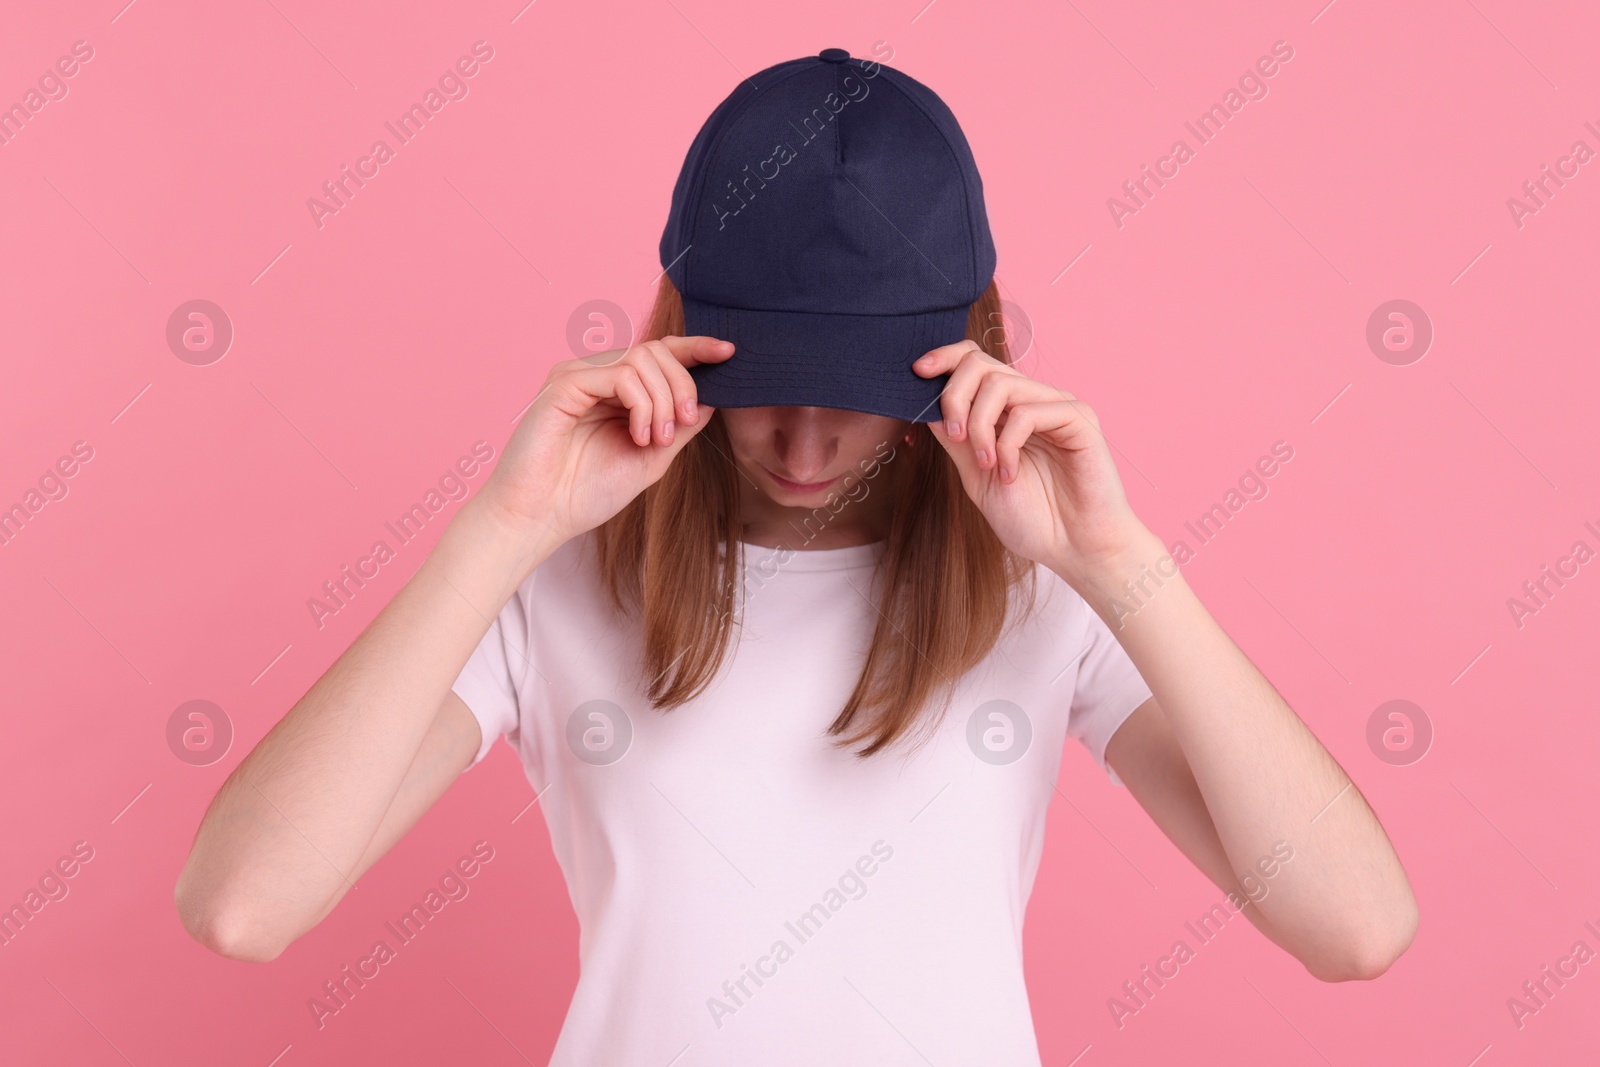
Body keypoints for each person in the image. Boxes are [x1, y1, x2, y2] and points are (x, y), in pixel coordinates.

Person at [175, 47, 1417, 1065]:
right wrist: (503, 529)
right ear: (682, 331)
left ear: (964, 355)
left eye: (859, 388)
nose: (807, 439)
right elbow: (244, 903)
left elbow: (1355, 927)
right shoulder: (554, 583)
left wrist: (1118, 555)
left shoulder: (1047, 591)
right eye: (767, 380)